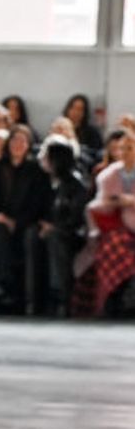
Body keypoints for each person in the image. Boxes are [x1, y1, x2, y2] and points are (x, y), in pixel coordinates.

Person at [0, 125, 50, 312]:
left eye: (22, 141)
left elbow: (38, 204)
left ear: (28, 145)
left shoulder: (37, 172)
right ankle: (3, 284)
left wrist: (16, 222)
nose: (17, 145)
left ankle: (10, 290)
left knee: (23, 234)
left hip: (25, 222)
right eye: (14, 140)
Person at [78, 129, 135, 315]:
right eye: (122, 148)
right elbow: (98, 205)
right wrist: (113, 202)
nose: (125, 152)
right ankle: (113, 298)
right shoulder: (109, 175)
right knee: (112, 244)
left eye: (130, 148)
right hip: (115, 225)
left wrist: (131, 201)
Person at [36, 137, 90, 316]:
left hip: (71, 234)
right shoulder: (45, 181)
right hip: (51, 229)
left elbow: (76, 218)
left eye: (46, 156)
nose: (42, 159)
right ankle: (32, 297)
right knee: (31, 236)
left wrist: (54, 227)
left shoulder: (76, 184)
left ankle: (61, 296)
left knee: (56, 240)